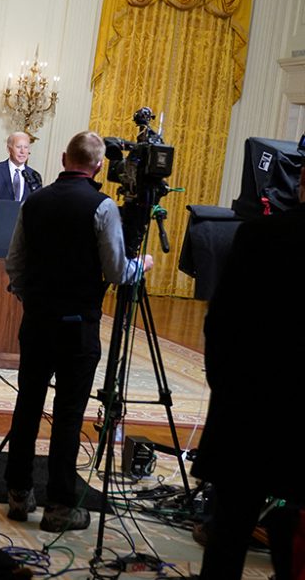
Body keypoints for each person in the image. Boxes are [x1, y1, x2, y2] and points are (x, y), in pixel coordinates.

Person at [3, 131, 152, 531]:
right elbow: (119, 271)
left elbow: (14, 263)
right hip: (77, 329)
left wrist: (31, 299)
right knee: (68, 416)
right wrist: (146, 263)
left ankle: (18, 494)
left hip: (37, 323)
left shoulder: (34, 202)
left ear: (65, 157)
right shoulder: (103, 207)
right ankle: (60, 507)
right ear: (99, 165)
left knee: (28, 405)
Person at [193, 161, 305, 578]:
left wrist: (224, 388)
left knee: (229, 535)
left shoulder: (260, 235)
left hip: (248, 411)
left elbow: (220, 323)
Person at [0, 132, 42, 211]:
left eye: (26, 147)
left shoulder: (34, 176)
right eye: (18, 147)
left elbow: (39, 206)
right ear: (9, 149)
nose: (22, 151)